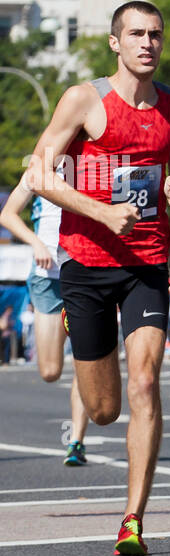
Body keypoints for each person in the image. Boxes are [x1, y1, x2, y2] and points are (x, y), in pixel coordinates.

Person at [28, 0, 170, 555]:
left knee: (146, 381)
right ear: (114, 43)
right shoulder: (84, 100)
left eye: (156, 34)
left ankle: (133, 520)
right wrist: (99, 212)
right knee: (103, 409)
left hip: (145, 260)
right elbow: (39, 172)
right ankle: (94, 392)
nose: (148, 43)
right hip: (84, 262)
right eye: (137, 34)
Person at [0, 174, 90, 463]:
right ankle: (67, 319)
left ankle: (76, 441)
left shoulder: (95, 162)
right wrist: (35, 244)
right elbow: (8, 215)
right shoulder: (39, 171)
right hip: (47, 278)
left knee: (85, 364)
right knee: (50, 371)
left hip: (86, 275)